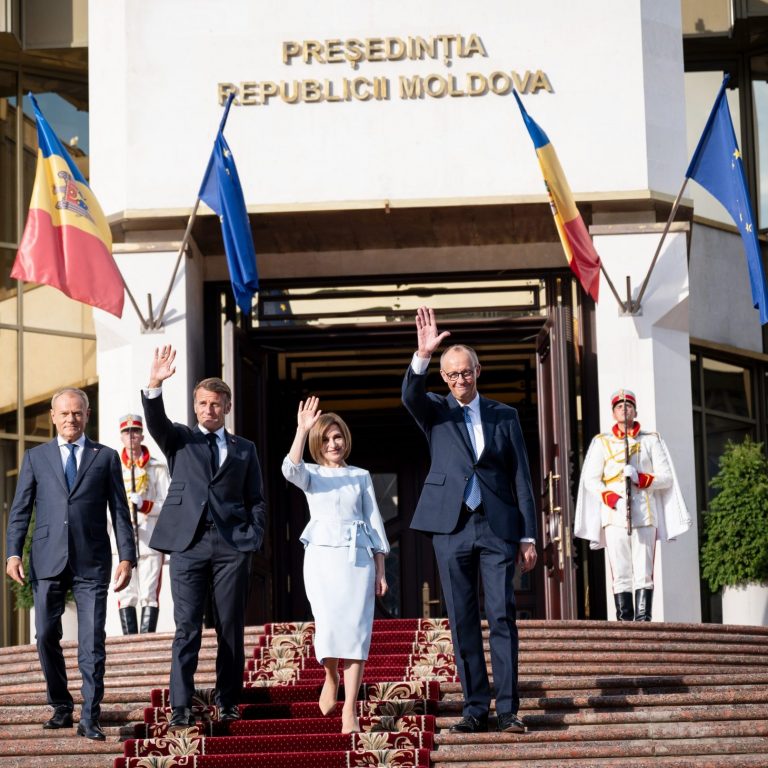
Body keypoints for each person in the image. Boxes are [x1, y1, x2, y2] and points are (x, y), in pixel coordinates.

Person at [401, 307, 538, 735]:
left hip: (498, 527)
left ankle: (509, 709)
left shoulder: (505, 415)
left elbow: (521, 477)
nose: (461, 380)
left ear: (478, 371)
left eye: (466, 372)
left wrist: (528, 535)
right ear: (444, 378)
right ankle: (476, 707)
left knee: (501, 615)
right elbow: (409, 396)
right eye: (452, 374)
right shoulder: (435, 411)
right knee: (461, 617)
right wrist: (422, 356)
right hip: (451, 527)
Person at [142, 345, 266, 731]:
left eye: (215, 403)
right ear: (195, 406)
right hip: (188, 545)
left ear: (226, 406)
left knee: (230, 628)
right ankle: (181, 705)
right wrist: (155, 384)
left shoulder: (245, 450)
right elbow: (156, 422)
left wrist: (253, 536)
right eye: (202, 403)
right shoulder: (180, 440)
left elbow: (256, 498)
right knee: (187, 628)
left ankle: (228, 701)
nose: (208, 409)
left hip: (232, 546)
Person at [5, 388, 135, 741]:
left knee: (92, 641)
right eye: (64, 413)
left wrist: (127, 556)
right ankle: (61, 703)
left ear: (87, 415)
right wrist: (13, 553)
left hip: (92, 561)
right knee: (46, 635)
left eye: (77, 413)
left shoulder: (105, 457)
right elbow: (19, 512)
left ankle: (89, 717)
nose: (70, 419)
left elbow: (121, 512)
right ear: (52, 416)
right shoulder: (36, 458)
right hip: (47, 560)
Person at [282, 397, 389, 734]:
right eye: (326, 439)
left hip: (358, 560)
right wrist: (301, 430)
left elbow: (375, 523)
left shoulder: (361, 475)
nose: (333, 444)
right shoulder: (311, 474)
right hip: (322, 560)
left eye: (337, 437)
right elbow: (290, 469)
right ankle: (330, 676)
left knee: (358, 631)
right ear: (318, 443)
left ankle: (350, 710)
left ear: (346, 439)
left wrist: (381, 570)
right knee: (328, 626)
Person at [575, 389, 691, 622]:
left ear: (635, 411)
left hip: (644, 514)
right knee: (621, 572)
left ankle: (643, 621)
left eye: (628, 406)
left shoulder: (651, 440)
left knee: (644, 571)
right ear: (613, 412)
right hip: (615, 515)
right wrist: (611, 498)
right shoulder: (602, 442)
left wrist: (641, 478)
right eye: (619, 406)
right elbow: (590, 479)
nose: (624, 409)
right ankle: (624, 622)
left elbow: (666, 477)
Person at [116, 414, 170, 634]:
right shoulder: (113, 466)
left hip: (149, 537)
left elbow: (168, 503)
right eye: (127, 432)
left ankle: (147, 640)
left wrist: (146, 505)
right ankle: (129, 644)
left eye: (135, 431)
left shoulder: (156, 467)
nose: (131, 436)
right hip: (122, 539)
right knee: (125, 592)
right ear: (121, 436)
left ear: (142, 435)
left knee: (149, 591)